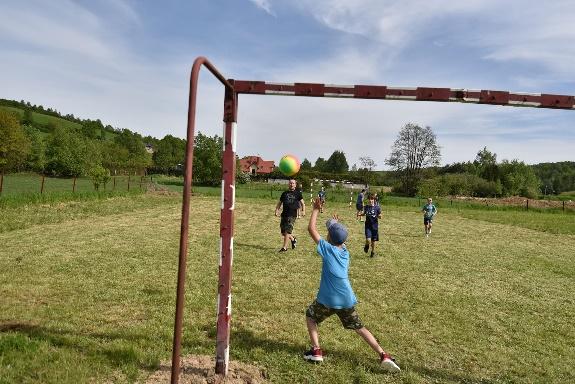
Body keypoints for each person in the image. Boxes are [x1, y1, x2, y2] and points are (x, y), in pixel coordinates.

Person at [303, 198, 400, 372]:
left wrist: (316, 209)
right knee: (360, 327)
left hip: (327, 300)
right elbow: (337, 237)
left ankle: (316, 350)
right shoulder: (345, 251)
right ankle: (383, 355)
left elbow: (311, 229)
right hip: (346, 300)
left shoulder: (327, 249)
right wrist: (335, 225)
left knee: (311, 316)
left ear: (329, 238)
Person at [275, 179, 305, 252]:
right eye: (290, 183)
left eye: (293, 183)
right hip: (284, 214)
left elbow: (302, 203)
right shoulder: (284, 193)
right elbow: (279, 203)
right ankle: (293, 239)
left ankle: (284, 248)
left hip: (292, 215)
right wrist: (276, 210)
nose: (291, 184)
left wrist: (303, 211)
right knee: (283, 233)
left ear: (295, 185)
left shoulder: (298, 193)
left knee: (288, 231)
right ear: (288, 184)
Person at [358, 193, 382, 257]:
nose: (370, 200)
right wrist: (360, 214)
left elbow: (380, 215)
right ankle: (366, 245)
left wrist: (379, 216)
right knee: (368, 240)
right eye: (369, 199)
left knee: (373, 241)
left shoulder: (377, 207)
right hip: (368, 226)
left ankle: (372, 252)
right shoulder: (366, 207)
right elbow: (364, 214)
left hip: (374, 227)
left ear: (374, 200)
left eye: (372, 199)